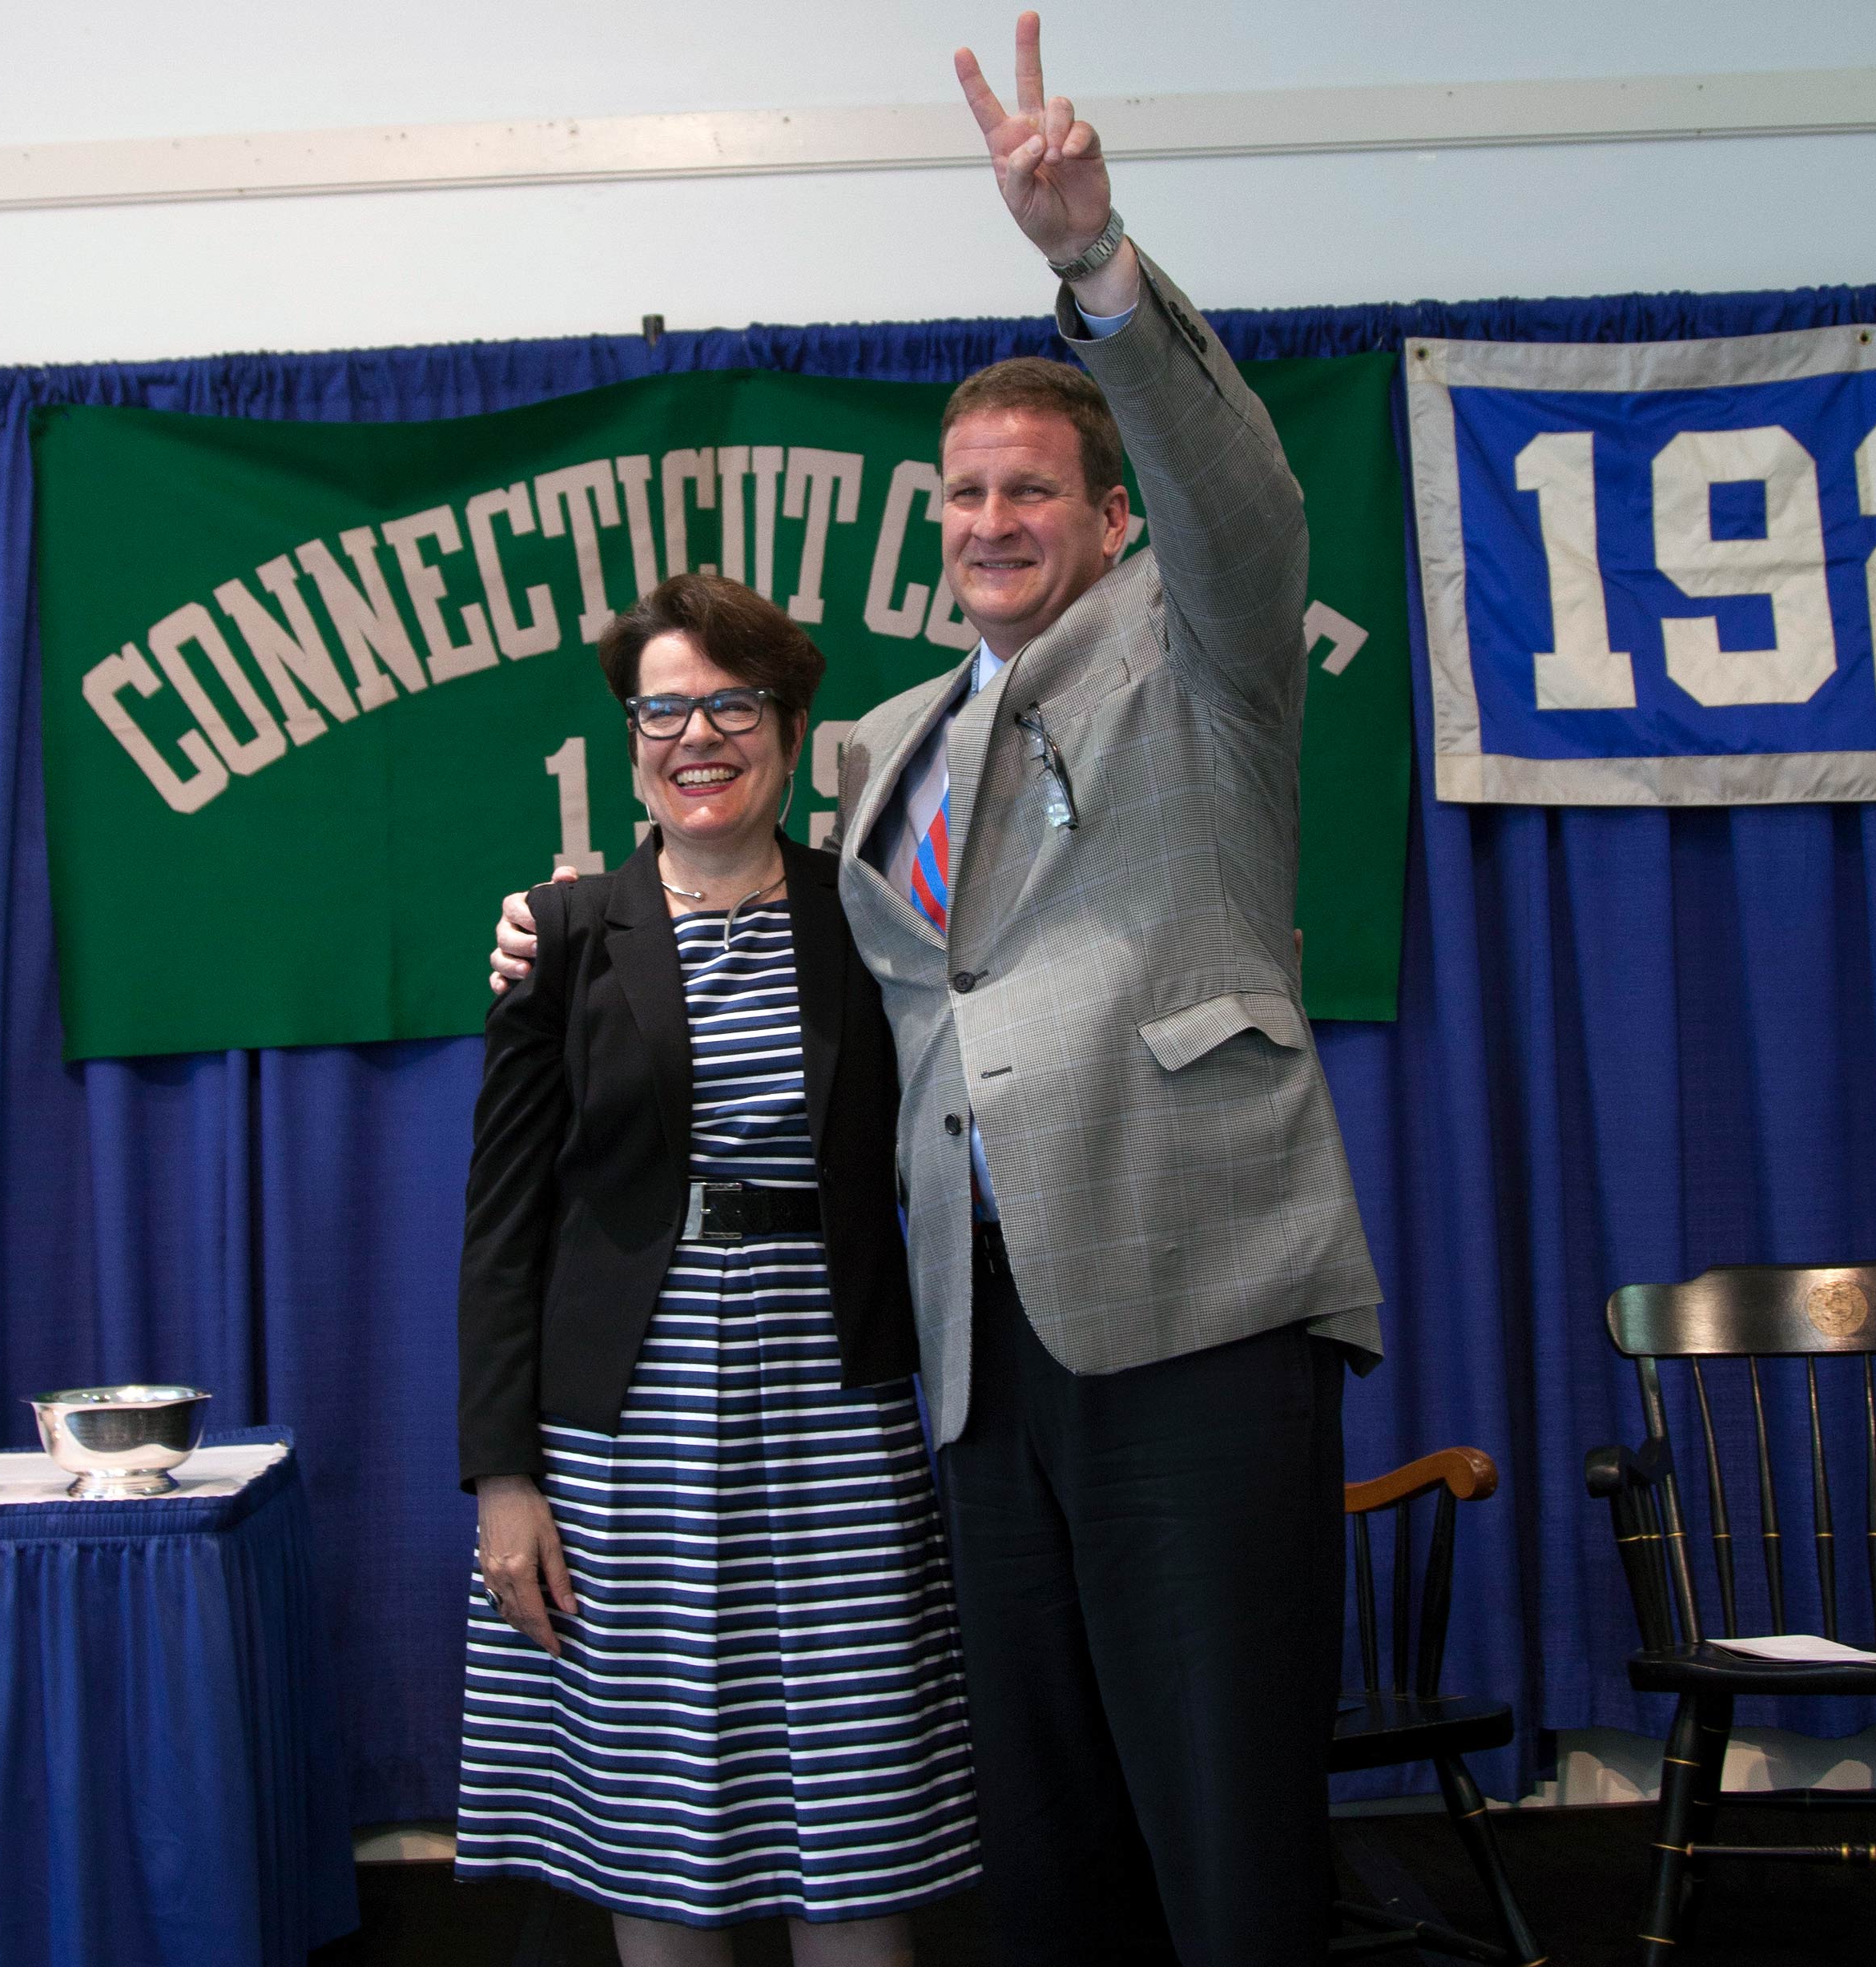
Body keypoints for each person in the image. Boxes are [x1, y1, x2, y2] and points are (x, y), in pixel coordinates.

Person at [494, 18, 1387, 1963]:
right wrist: (570, 921)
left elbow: (1242, 503)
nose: (989, 518)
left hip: (1186, 1305)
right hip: (974, 1353)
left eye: (1032, 490)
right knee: (1045, 1840)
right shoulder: (889, 737)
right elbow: (790, 950)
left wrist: (1096, 272)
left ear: (1107, 516)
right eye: (963, 492)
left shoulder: (1197, 654)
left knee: (1223, 1835)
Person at [456, 573, 977, 1966]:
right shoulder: (561, 937)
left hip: (838, 1407)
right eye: (664, 709)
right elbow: (503, 1226)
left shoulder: (872, 918)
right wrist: (507, 1482)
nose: (699, 734)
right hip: (628, 1434)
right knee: (659, 1822)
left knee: (859, 1816)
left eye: (731, 704)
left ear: (791, 729)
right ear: (632, 738)